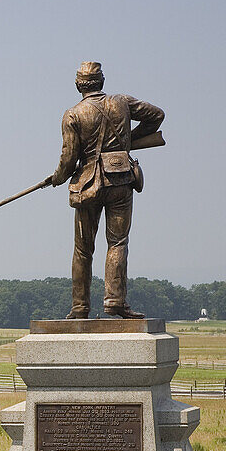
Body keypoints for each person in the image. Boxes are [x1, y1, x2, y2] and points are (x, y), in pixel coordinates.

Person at [50, 62, 164, 319]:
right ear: (102, 81)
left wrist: (57, 177)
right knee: (118, 242)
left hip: (88, 184)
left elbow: (69, 158)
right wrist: (128, 141)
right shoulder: (121, 102)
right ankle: (114, 300)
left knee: (82, 248)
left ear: (78, 85)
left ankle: (80, 307)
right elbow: (156, 115)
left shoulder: (72, 114)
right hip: (120, 180)